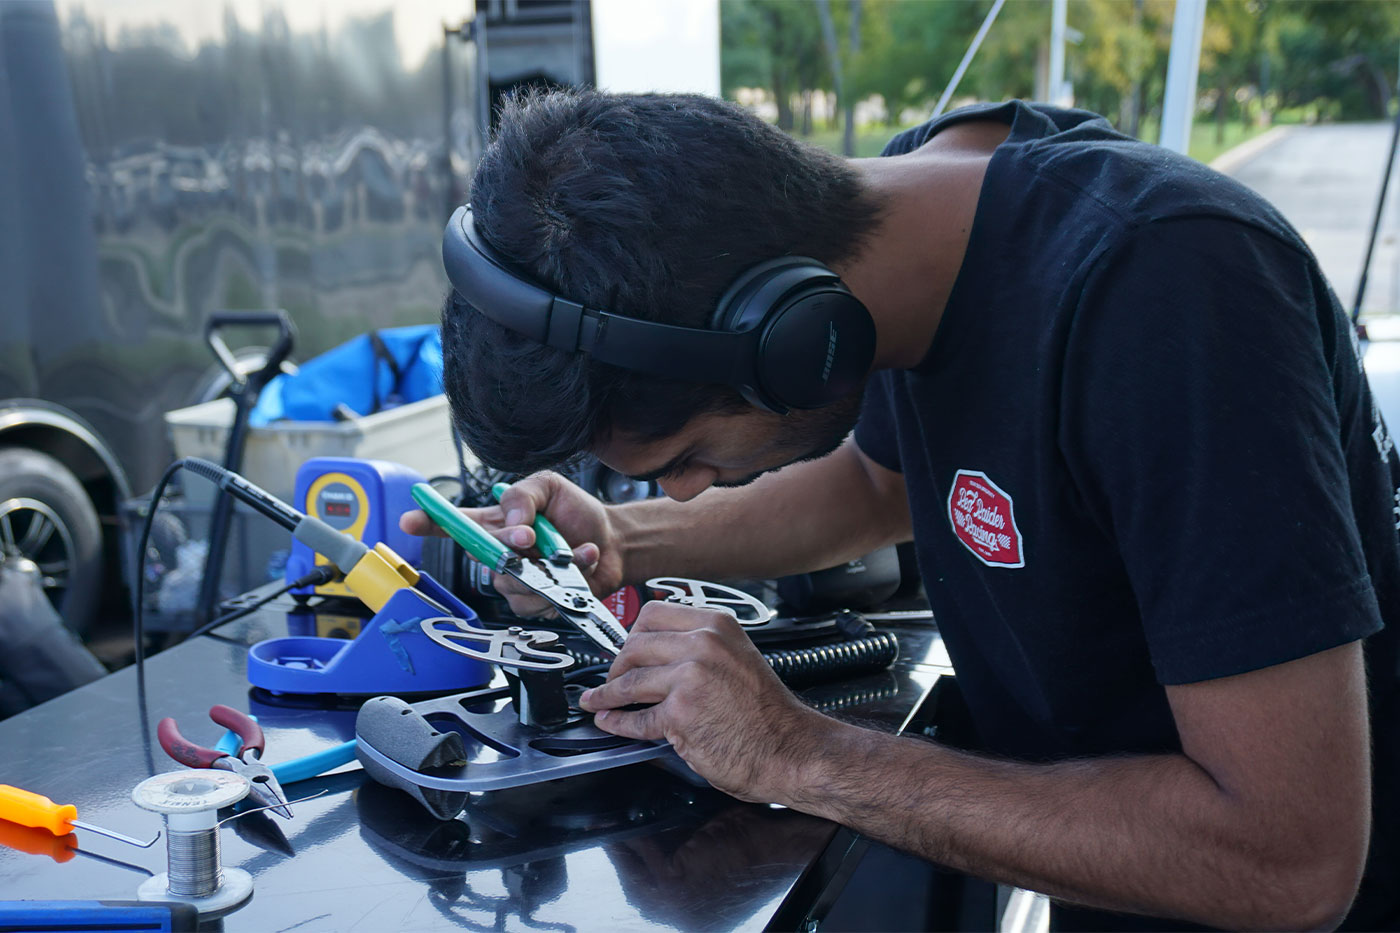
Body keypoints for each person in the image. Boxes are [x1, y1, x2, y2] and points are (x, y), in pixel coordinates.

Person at [403, 89, 1399, 930]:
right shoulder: (913, 232)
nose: (683, 490)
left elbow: (1287, 861)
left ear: (795, 335)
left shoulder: (1171, 296)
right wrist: (620, 540)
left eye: (689, 458)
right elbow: (879, 483)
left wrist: (797, 750)